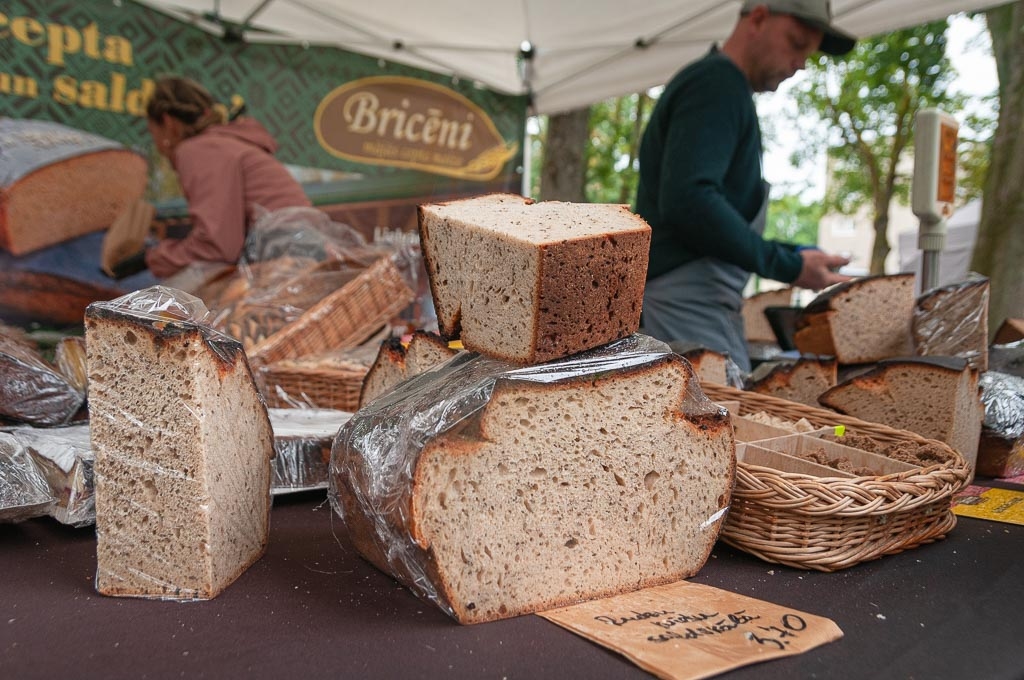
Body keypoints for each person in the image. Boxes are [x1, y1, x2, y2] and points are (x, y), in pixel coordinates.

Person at [634, 0, 856, 371]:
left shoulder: (722, 88)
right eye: (797, 43)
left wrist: (793, 255)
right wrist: (786, 264)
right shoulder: (716, 85)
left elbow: (710, 210)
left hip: (695, 301)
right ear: (757, 18)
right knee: (717, 420)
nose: (801, 63)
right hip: (686, 302)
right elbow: (691, 200)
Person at [141, 76, 312, 278]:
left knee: (166, 297)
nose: (159, 147)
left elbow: (217, 246)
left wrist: (155, 257)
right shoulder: (224, 143)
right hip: (302, 251)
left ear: (168, 123)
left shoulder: (197, 149)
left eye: (154, 135)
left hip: (284, 259)